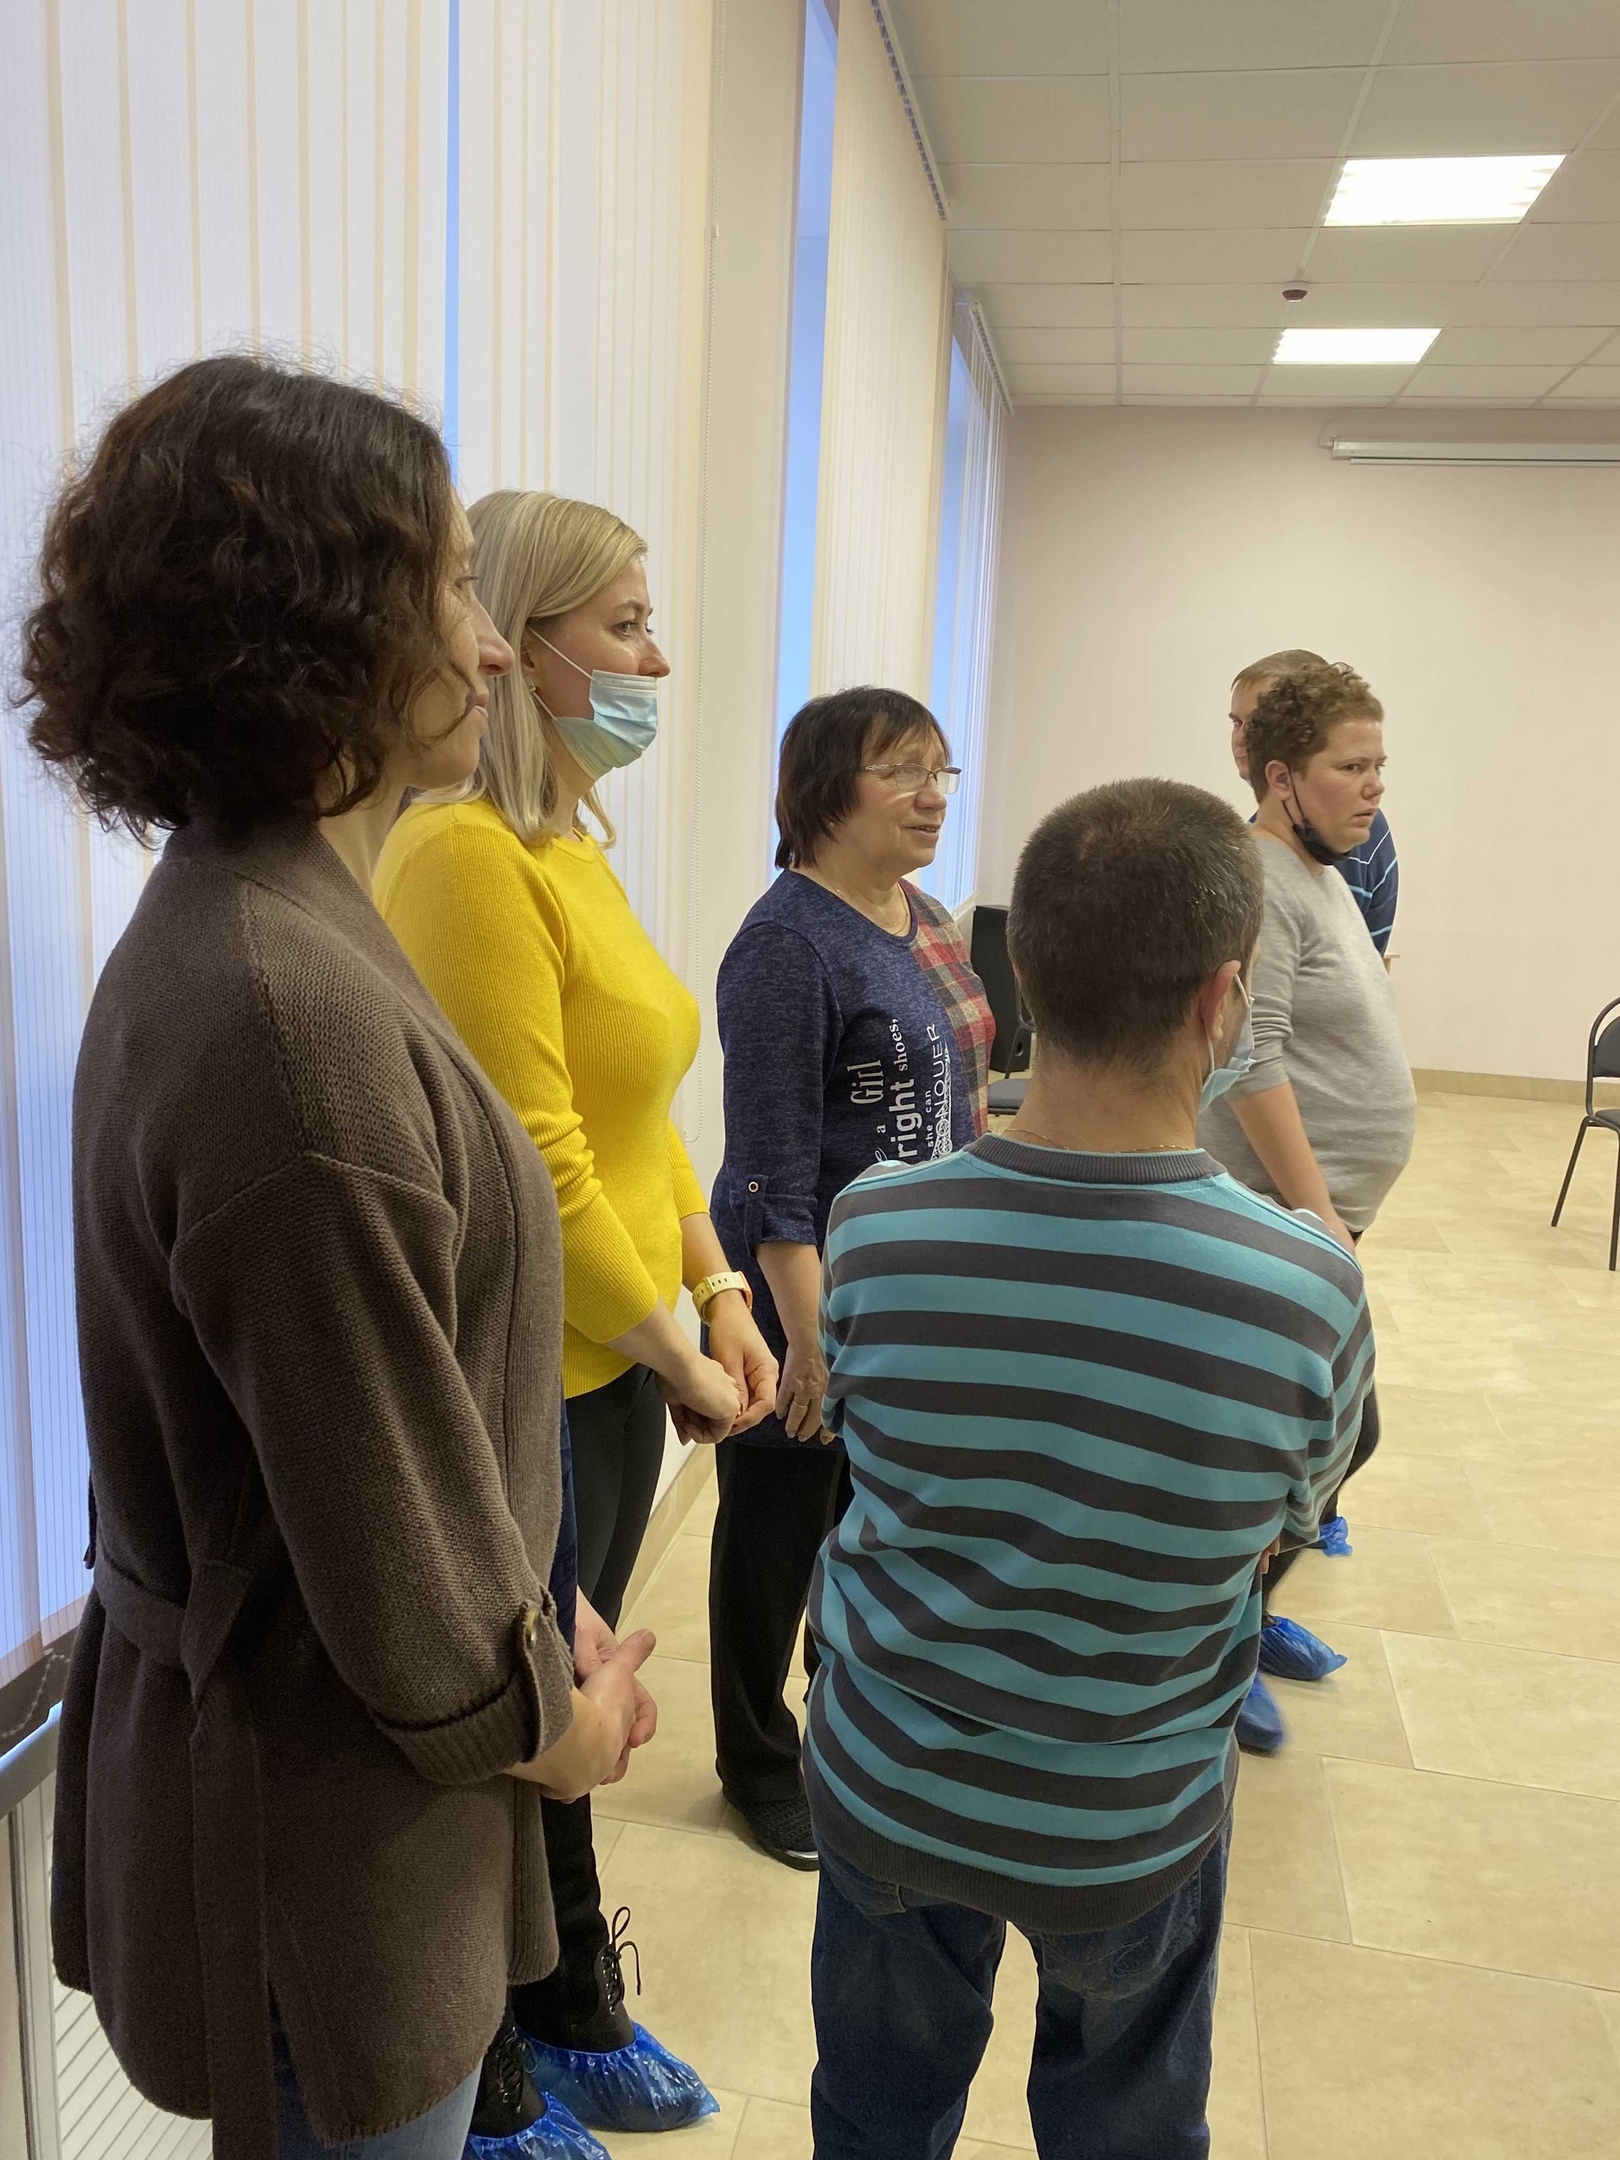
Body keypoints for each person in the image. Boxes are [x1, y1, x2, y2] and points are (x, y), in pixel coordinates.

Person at [20, 355, 655, 2160]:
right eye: (452, 586)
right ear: (321, 626)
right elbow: (379, 1534)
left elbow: (392, 1402)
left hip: (346, 1794)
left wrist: (531, 1597)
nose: (489, 645)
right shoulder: (287, 1014)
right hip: (329, 1839)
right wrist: (558, 1724)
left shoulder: (276, 918)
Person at [803, 778, 1372, 2160]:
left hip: (891, 1779)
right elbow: (1288, 1521)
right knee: (1126, 2127)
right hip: (1127, 1819)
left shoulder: (873, 1227)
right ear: (1222, 1001)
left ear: (1021, 983)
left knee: (875, 2112)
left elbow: (876, 1453)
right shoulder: (1307, 1286)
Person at [375, 488, 775, 2134]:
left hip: (607, 1362)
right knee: (517, 1723)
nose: (655, 662)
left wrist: (715, 1285)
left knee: (577, 1697)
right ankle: (495, 2057)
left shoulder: (568, 850)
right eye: (623, 627)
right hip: (522, 1376)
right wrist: (676, 1342)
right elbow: (534, 1159)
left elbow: (642, 1110)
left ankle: (559, 1994)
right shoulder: (458, 858)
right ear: (523, 645)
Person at [709, 687, 993, 1870]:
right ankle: (755, 1766)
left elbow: (959, 1095)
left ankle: (846, 1728)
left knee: (862, 1531)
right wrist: (810, 1346)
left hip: (905, 1293)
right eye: (902, 773)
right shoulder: (787, 946)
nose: (933, 797)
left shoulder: (914, 913)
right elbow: (771, 1172)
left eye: (941, 772)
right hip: (806, 1300)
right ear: (826, 792)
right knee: (775, 1538)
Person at [1201, 659, 1415, 1754]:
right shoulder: (1263, 879)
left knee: (1313, 1449)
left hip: (1312, 1220)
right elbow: (1253, 1057)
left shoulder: (1318, 870)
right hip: (1279, 1220)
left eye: (1380, 765)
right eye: (1351, 767)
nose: (1373, 787)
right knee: (1312, 1444)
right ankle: (1219, 1648)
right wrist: (1316, 1209)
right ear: (1283, 777)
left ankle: (1247, 1620)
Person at [1229, 648, 1399, 957]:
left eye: (1259, 723)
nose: (1242, 739)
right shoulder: (1263, 869)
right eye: (1237, 723)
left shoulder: (1332, 844)